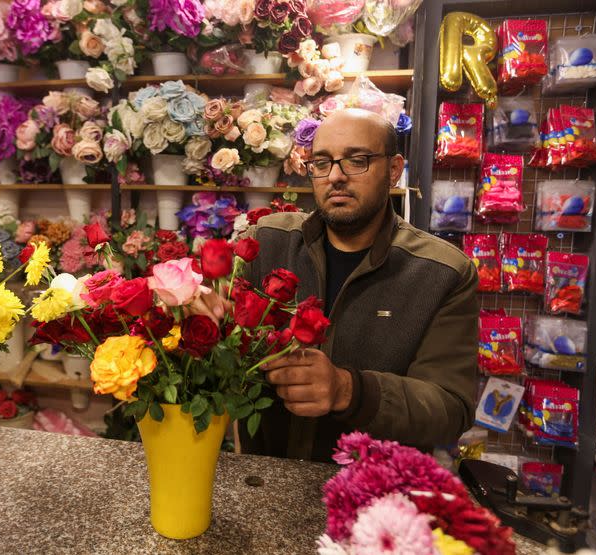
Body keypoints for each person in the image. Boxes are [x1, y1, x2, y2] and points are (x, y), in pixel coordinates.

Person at [197, 108, 479, 462]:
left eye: (356, 160)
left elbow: (450, 409)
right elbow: (223, 358)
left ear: (393, 171)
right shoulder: (268, 243)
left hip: (373, 496)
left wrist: (350, 390)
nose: (335, 176)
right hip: (265, 481)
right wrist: (196, 319)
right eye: (322, 162)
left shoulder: (442, 272)